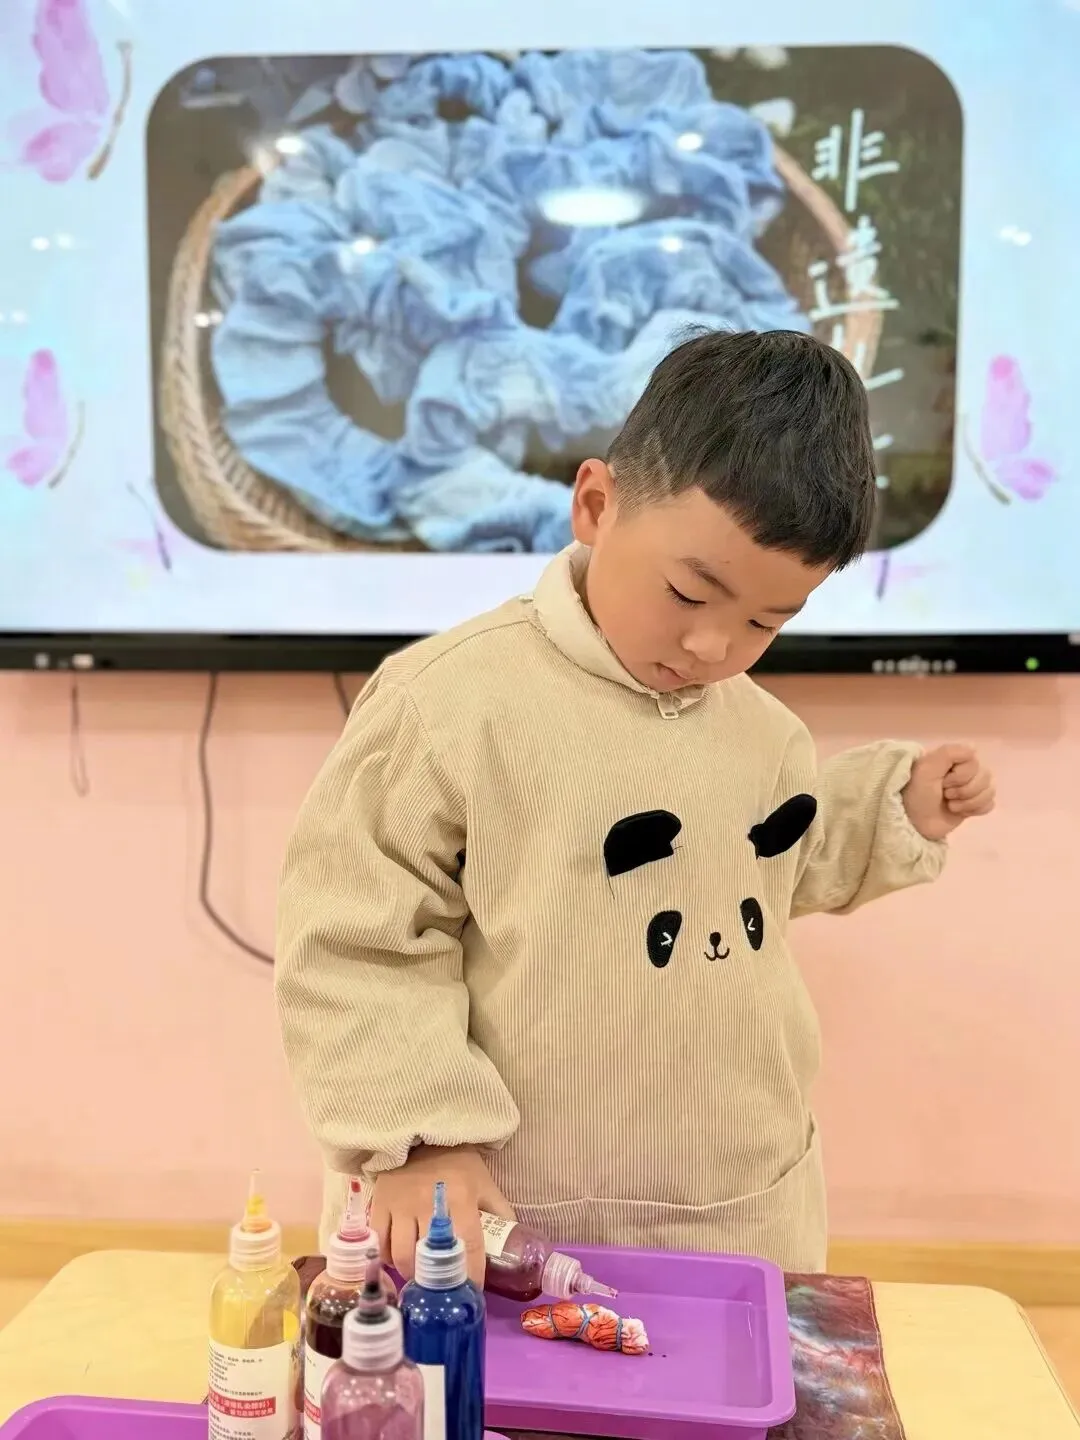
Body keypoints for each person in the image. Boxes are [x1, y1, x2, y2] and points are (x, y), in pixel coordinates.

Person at [276, 329, 995, 1282]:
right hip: (500, 1212)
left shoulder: (765, 732)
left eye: (766, 621)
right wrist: (420, 1140)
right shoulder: (449, 705)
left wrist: (895, 806)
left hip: (737, 1211)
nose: (712, 646)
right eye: (690, 592)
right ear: (595, 505)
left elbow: (772, 861)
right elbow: (353, 937)